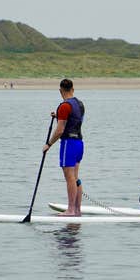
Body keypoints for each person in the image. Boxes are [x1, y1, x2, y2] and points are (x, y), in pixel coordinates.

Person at [43, 78, 85, 216]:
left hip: (68, 144)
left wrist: (48, 144)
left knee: (70, 178)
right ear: (73, 89)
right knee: (75, 177)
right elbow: (73, 120)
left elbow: (60, 130)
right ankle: (77, 210)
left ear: (60, 91)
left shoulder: (64, 106)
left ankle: (71, 210)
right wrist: (58, 116)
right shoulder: (80, 104)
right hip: (79, 143)